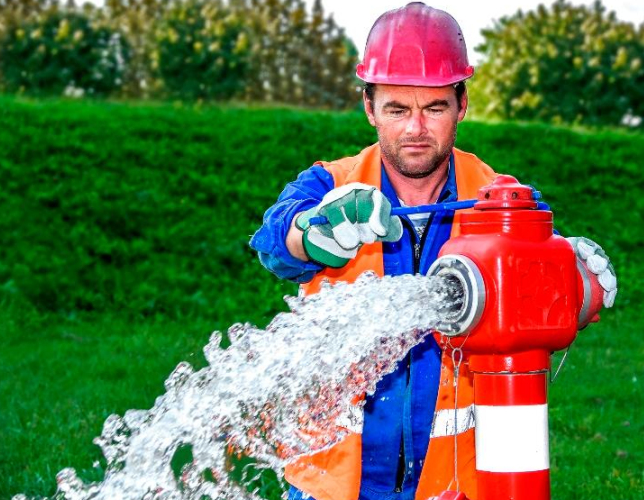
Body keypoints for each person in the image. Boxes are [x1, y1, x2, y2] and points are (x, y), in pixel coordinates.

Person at [250, 3, 617, 500]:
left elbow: (551, 274)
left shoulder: (498, 200)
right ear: (369, 106)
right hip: (332, 483)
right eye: (397, 109)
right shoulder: (330, 185)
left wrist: (576, 276)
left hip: (451, 484)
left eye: (434, 108)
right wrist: (312, 233)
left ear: (462, 104)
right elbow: (276, 244)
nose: (415, 129)